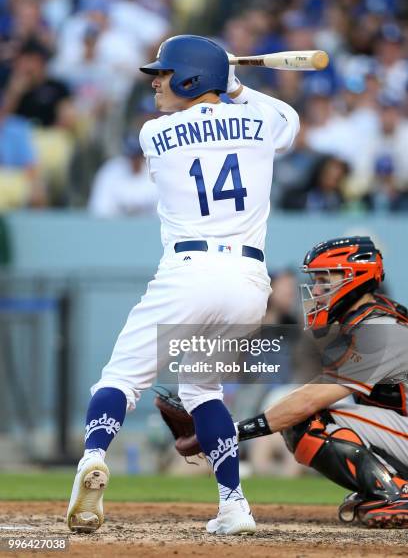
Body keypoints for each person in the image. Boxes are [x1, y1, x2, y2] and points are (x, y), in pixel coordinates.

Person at [66, 34, 299, 535]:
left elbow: (203, 123)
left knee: (121, 379)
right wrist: (238, 88)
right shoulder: (261, 124)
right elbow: (290, 122)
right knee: (201, 390)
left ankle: (90, 459)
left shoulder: (155, 133)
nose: (156, 82)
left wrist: (224, 84)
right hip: (247, 283)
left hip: (188, 273)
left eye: (166, 73)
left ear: (192, 78)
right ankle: (234, 505)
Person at [173, 235, 408, 528]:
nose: (317, 289)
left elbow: (309, 400)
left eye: (325, 279)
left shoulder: (379, 327)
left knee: (305, 418)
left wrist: (231, 433)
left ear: (355, 277)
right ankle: (389, 486)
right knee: (302, 414)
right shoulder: (365, 318)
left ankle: (395, 493)